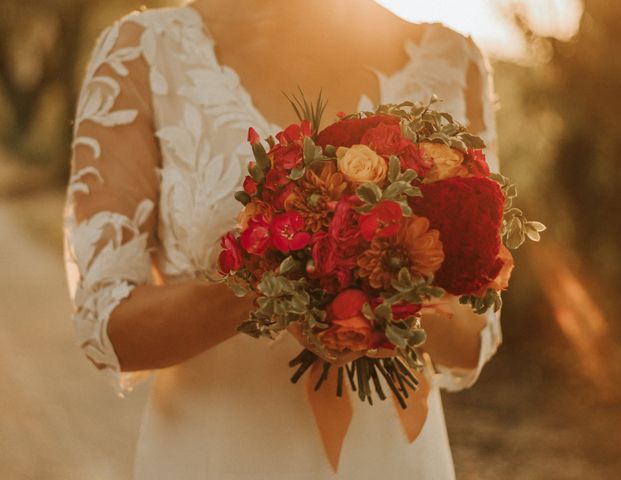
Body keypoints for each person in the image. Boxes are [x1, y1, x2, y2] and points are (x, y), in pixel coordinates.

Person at [63, 0, 501, 478]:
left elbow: (476, 331)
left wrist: (376, 290)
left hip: (392, 458)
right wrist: (284, 280)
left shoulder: (452, 59)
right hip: (216, 452)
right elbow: (108, 325)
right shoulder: (144, 52)